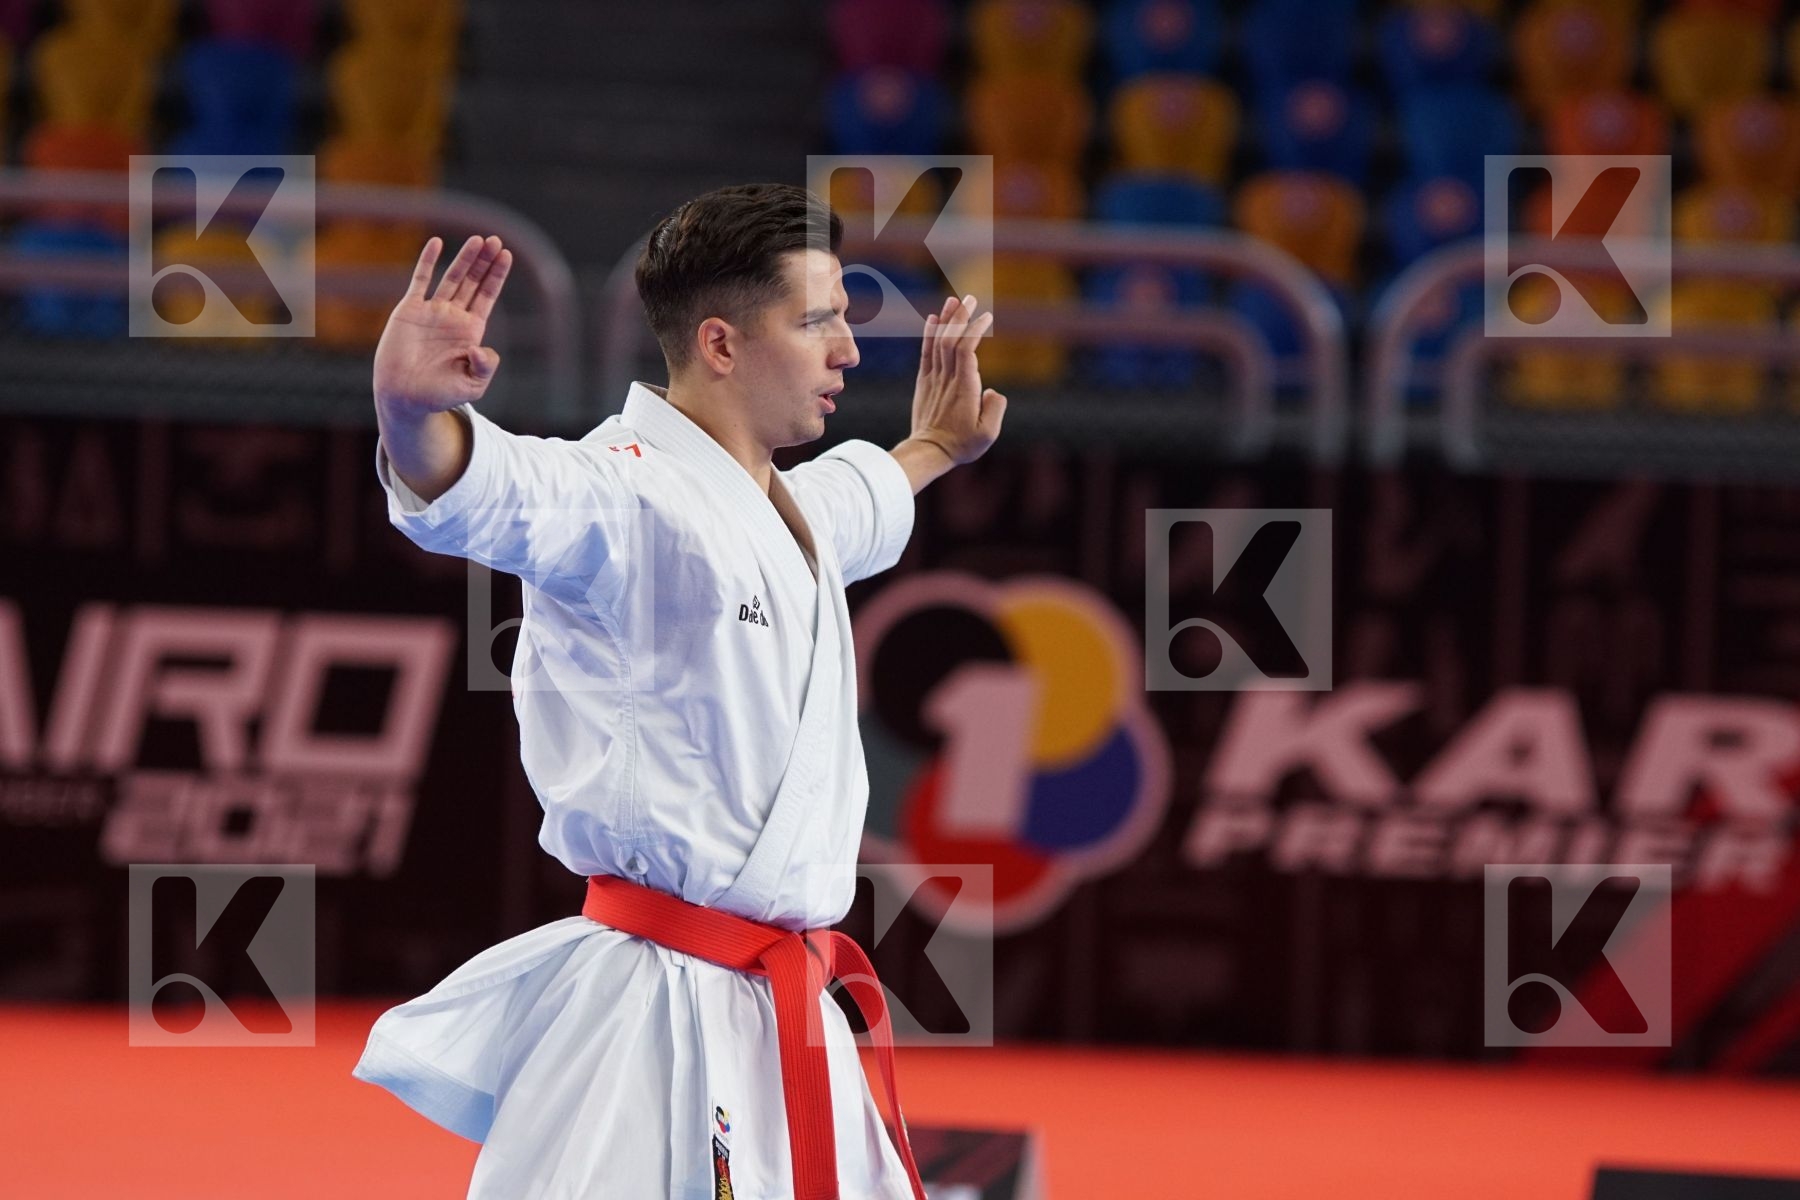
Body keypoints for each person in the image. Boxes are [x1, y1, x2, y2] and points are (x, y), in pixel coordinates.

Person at [352, 183, 1007, 1198]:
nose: (847, 352)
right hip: (653, 1010)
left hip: (783, 1006)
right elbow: (496, 491)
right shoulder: (621, 492)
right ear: (721, 343)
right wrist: (409, 413)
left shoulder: (786, 510)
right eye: (818, 322)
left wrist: (934, 446)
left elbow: (858, 496)